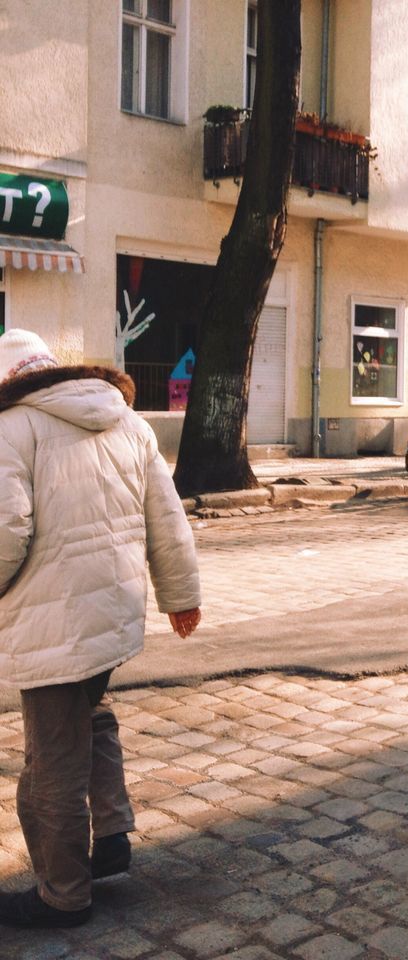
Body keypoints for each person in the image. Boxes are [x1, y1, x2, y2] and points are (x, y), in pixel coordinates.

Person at [0, 329, 202, 929]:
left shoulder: (13, 429)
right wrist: (180, 596)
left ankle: (63, 893)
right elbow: (167, 518)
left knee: (51, 762)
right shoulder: (128, 422)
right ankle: (111, 832)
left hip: (51, 622)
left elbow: (7, 533)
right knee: (93, 711)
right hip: (111, 612)